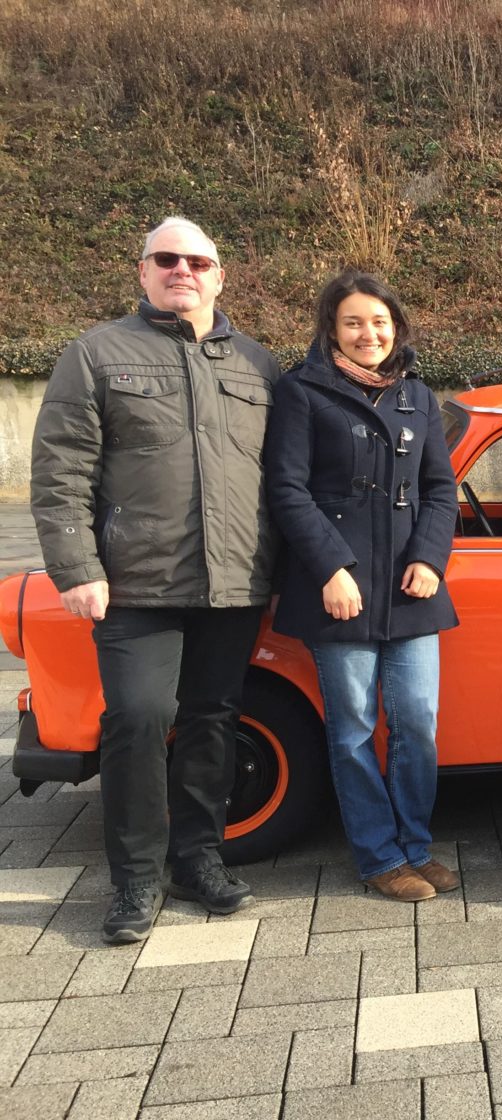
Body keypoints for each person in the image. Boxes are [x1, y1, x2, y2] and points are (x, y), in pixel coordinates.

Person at [30, 217, 279, 943]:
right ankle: (136, 879)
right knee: (138, 720)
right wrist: (77, 567)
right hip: (136, 585)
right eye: (166, 259)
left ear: (219, 276)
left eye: (197, 261)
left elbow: (283, 478)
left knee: (213, 722)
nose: (183, 271)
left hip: (233, 585)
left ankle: (197, 859)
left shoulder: (256, 365)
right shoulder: (97, 355)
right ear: (142, 272)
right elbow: (60, 472)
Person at [265, 270, 460, 903]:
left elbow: (439, 489)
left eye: (379, 322)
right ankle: (379, 857)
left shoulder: (417, 396)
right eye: (353, 322)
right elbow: (287, 490)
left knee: (418, 723)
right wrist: (331, 568)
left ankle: (416, 846)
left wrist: (431, 558)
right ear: (331, 329)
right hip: (339, 589)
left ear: (396, 328)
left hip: (411, 588)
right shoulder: (301, 391)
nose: (368, 333)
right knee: (351, 726)